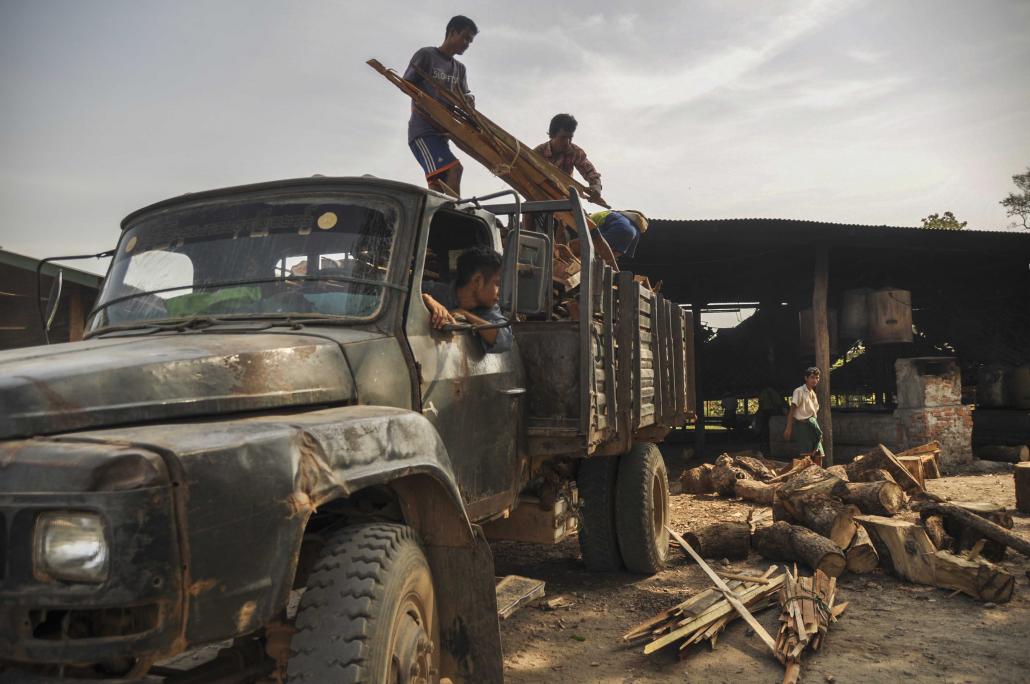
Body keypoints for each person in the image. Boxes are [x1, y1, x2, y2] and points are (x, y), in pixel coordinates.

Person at [404, 16, 478, 197]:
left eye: (470, 41)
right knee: (455, 169)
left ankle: (439, 221)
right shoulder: (426, 55)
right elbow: (406, 84)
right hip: (423, 131)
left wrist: (468, 101)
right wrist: (426, 104)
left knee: (439, 186)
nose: (467, 43)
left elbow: (463, 96)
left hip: (443, 133)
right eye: (465, 37)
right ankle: (454, 218)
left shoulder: (459, 69)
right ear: (452, 32)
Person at [421, 246, 512, 353]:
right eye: (498, 284)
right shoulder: (433, 291)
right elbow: (400, 292)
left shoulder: (489, 309)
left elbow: (505, 341)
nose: (501, 292)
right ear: (477, 281)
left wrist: (466, 315)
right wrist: (425, 298)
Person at [534, 114, 603, 200]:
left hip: (564, 198)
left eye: (570, 137)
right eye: (563, 137)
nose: (567, 142)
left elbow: (590, 172)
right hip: (538, 196)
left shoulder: (575, 152)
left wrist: (596, 187)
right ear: (552, 135)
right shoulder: (538, 153)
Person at [783, 367, 824, 457]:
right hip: (802, 426)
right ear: (806, 378)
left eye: (817, 378)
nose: (815, 380)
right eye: (812, 377)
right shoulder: (799, 391)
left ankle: (818, 471)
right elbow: (792, 410)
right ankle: (806, 471)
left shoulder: (813, 394)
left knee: (818, 454)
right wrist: (788, 428)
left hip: (812, 425)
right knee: (806, 455)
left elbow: (814, 412)